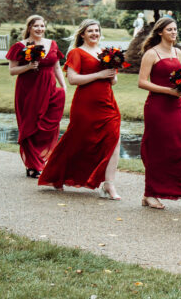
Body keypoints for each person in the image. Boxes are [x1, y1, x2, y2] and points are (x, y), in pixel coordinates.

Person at [38, 20, 122, 198]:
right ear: (82, 34)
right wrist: (99, 74)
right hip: (86, 104)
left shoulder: (105, 53)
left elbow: (113, 81)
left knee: (114, 140)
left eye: (97, 30)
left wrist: (112, 72)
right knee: (76, 140)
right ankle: (56, 174)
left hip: (107, 103)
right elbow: (73, 79)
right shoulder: (76, 52)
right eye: (90, 31)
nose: (94, 33)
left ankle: (109, 184)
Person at [137, 17, 181, 210]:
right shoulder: (151, 53)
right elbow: (142, 82)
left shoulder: (177, 52)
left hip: (176, 106)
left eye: (175, 29)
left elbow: (178, 78)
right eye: (169, 30)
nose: (174, 32)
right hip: (157, 107)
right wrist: (167, 91)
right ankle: (150, 194)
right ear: (160, 32)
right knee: (158, 150)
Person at [6, 15, 66, 178]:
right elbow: (12, 70)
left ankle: (40, 161)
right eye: (36, 26)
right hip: (28, 90)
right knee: (30, 126)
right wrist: (28, 66)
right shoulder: (19, 46)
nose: (40, 29)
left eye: (42, 26)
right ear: (29, 28)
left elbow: (57, 68)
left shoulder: (52, 44)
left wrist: (63, 85)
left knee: (48, 126)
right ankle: (33, 165)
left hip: (50, 89)